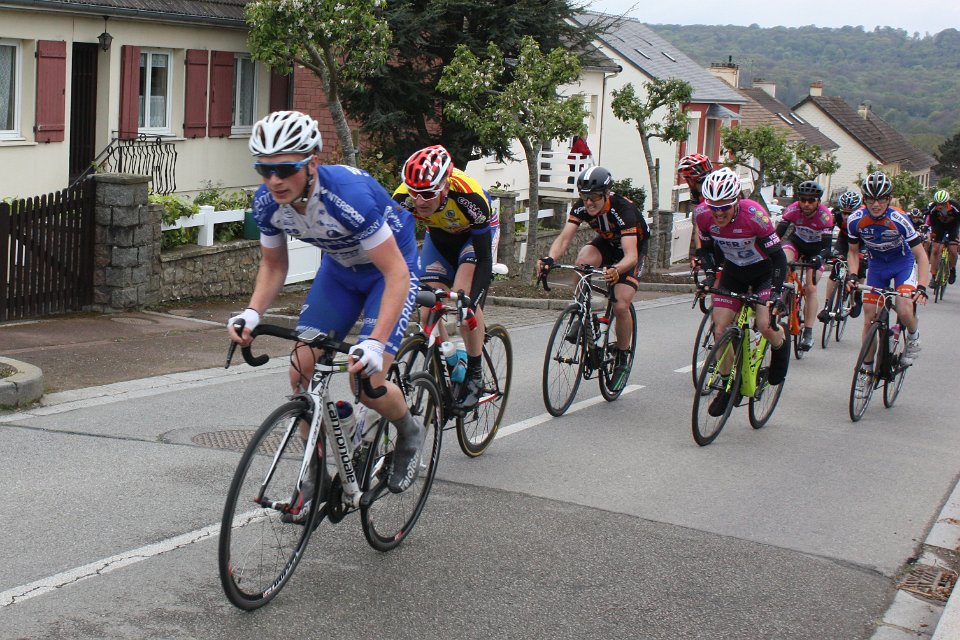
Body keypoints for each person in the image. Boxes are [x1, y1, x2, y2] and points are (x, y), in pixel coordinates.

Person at [229, 111, 424, 496]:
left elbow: (396, 274)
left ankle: (409, 431)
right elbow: (274, 265)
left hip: (388, 271)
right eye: (264, 170)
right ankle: (314, 471)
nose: (274, 180)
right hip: (339, 272)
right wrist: (252, 313)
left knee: (367, 384)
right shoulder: (267, 203)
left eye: (286, 169)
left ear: (312, 163)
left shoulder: (348, 197)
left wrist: (374, 343)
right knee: (300, 369)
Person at [393, 145, 498, 410]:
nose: (419, 201)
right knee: (428, 308)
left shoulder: (469, 196)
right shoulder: (402, 198)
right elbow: (393, 249)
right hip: (439, 238)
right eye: (414, 192)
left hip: (473, 239)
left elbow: (485, 260)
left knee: (462, 301)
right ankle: (450, 357)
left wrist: (473, 303)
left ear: (445, 185)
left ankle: (475, 372)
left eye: (428, 193)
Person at [536, 166, 648, 391]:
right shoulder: (582, 206)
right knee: (582, 262)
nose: (588, 203)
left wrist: (616, 269)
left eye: (594, 197)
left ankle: (622, 357)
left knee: (620, 304)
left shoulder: (623, 210)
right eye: (584, 196)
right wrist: (549, 258)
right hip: (607, 243)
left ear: (606, 194)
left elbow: (631, 256)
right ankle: (581, 310)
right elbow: (564, 238)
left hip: (631, 250)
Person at [693, 167, 791, 416]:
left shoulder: (754, 215)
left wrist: (776, 293)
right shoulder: (702, 215)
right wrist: (708, 275)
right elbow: (705, 250)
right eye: (713, 207)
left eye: (724, 207)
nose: (718, 213)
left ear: (736, 200)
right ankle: (727, 387)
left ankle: (781, 346)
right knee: (720, 329)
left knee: (765, 325)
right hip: (733, 272)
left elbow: (779, 258)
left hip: (763, 273)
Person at [846, 171, 929, 369]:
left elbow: (921, 256)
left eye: (881, 199)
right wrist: (853, 275)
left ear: (889, 199)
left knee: (904, 308)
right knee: (869, 319)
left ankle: (913, 336)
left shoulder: (899, 219)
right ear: (864, 199)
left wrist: (922, 287)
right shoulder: (855, 220)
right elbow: (853, 252)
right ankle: (866, 370)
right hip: (877, 267)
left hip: (902, 264)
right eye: (871, 199)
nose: (876, 204)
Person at [774, 180, 834, 351]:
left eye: (811, 200)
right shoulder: (793, 209)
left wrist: (820, 258)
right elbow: (777, 236)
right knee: (782, 259)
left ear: (818, 201)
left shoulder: (825, 216)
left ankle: (808, 332)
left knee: (810, 288)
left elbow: (827, 248)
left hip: (817, 250)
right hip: (797, 243)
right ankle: (784, 296)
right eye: (803, 199)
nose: (806, 204)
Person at [819, 190, 865, 322]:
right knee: (835, 269)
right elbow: (827, 231)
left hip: (861, 241)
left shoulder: (864, 216)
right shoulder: (836, 215)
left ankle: (858, 294)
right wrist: (826, 251)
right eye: (844, 212)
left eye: (850, 213)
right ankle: (827, 305)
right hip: (844, 240)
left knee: (861, 265)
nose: (846, 216)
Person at [924, 189, 960, 285]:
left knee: (953, 250)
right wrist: (931, 233)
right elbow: (931, 222)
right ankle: (933, 275)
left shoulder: (955, 206)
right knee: (935, 250)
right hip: (940, 226)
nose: (940, 206)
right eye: (938, 204)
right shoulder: (933, 208)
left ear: (947, 202)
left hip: (953, 226)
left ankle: (952, 270)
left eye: (943, 204)